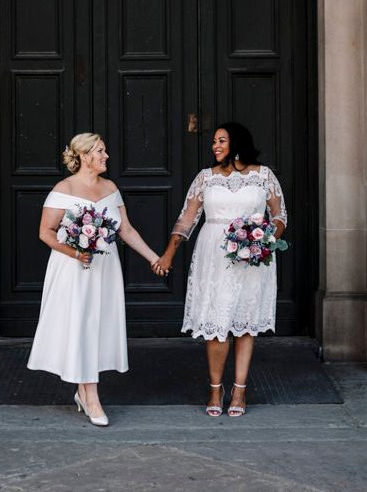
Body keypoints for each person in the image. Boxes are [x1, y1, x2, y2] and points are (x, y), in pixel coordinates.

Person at [153, 122, 287, 417]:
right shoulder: (205, 178)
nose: (215, 146)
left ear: (237, 143)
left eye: (221, 141)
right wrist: (169, 253)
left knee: (245, 322)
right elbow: (186, 220)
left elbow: (279, 215)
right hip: (214, 255)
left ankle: (240, 390)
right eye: (214, 141)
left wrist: (266, 239)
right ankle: (216, 388)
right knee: (216, 323)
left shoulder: (263, 175)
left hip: (252, 257)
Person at [27, 133, 159, 426]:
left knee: (96, 326)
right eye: (100, 151)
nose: (106, 156)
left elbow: (126, 230)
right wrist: (74, 252)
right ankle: (91, 397)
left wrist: (153, 258)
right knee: (81, 324)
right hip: (73, 270)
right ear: (85, 156)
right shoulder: (63, 189)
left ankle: (82, 391)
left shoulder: (110, 187)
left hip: (105, 268)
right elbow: (46, 232)